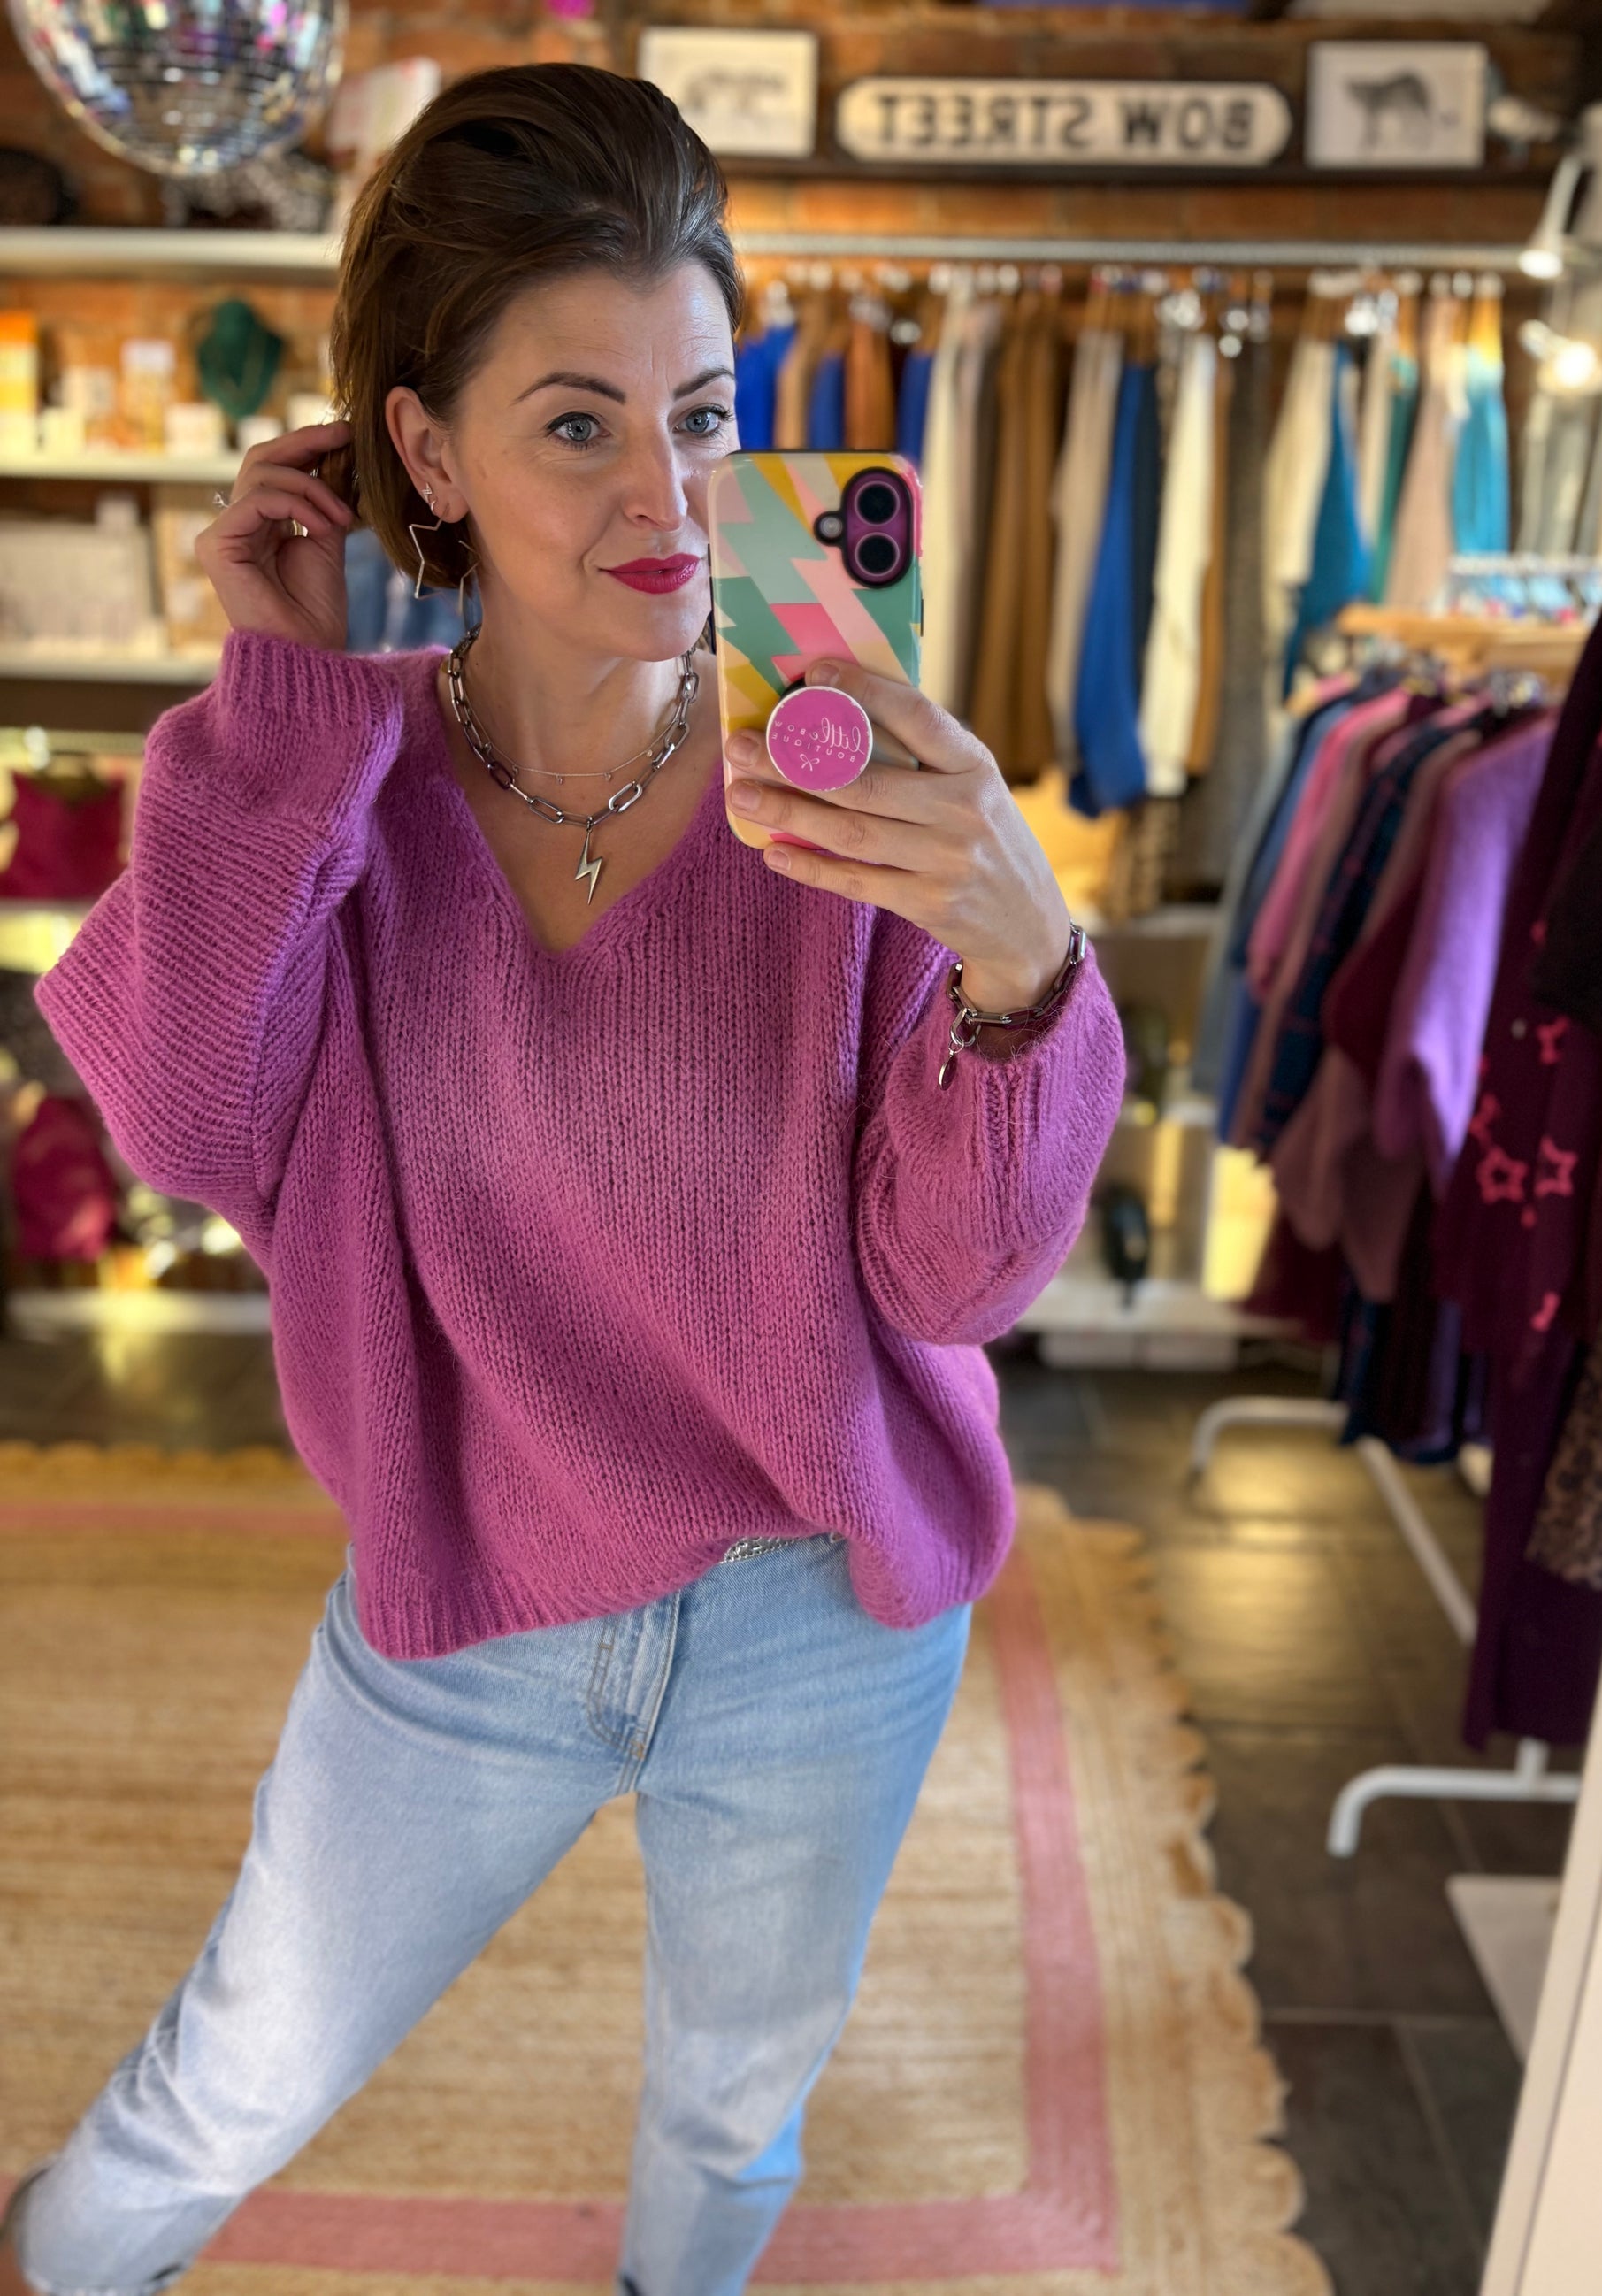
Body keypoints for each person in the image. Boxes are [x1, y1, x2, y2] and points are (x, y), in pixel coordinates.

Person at [3, 63, 1124, 2296]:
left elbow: (948, 1273)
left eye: (703, 412)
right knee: (241, 2061)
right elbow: (183, 1126)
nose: (672, 495)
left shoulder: (846, 772)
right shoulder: (330, 786)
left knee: (731, 2105)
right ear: (424, 449)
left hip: (819, 1602)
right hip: (469, 1595)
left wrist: (1020, 962)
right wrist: (279, 697)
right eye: (579, 423)